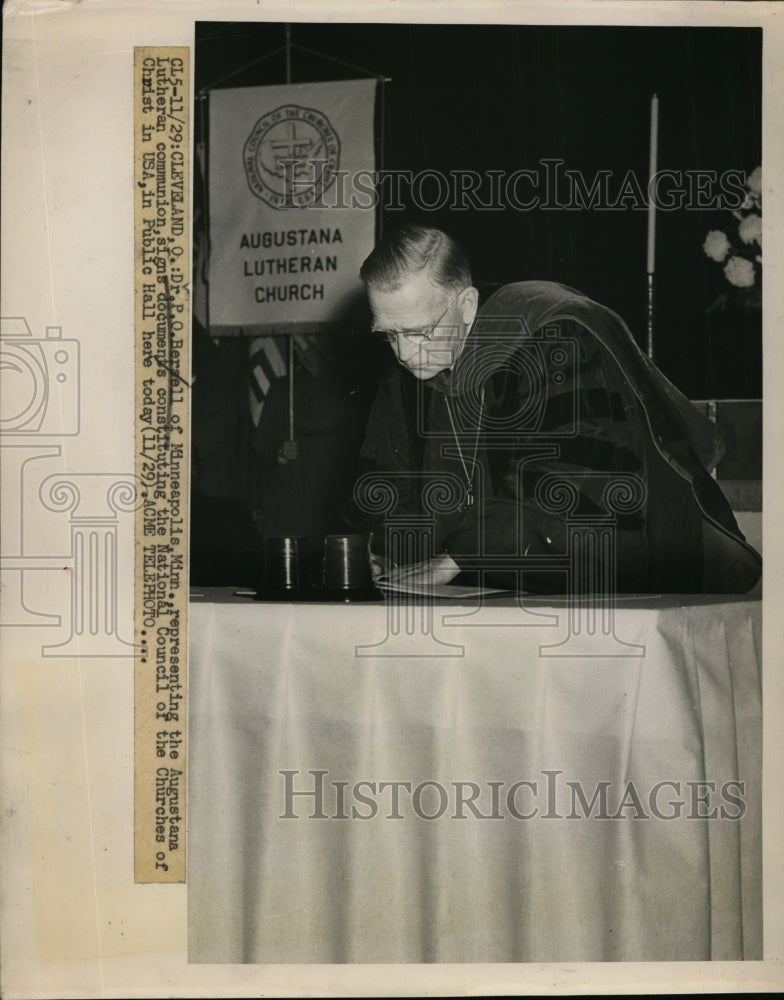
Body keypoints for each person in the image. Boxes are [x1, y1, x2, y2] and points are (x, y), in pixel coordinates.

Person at [356, 224, 761, 594]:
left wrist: (460, 557)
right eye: (387, 334)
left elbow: (576, 486)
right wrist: (391, 551)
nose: (406, 353)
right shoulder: (414, 363)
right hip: (499, 581)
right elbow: (391, 477)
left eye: (419, 332)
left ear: (465, 305)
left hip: (630, 576)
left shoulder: (553, 338)